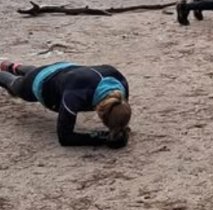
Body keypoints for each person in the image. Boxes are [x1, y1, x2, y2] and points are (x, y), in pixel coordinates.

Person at [0, 60, 131, 147]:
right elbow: (65, 138)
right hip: (41, 83)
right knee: (14, 84)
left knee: (36, 72)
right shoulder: (77, 95)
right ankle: (8, 71)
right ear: (101, 113)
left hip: (64, 68)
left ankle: (12, 66)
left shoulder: (121, 86)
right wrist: (101, 139)